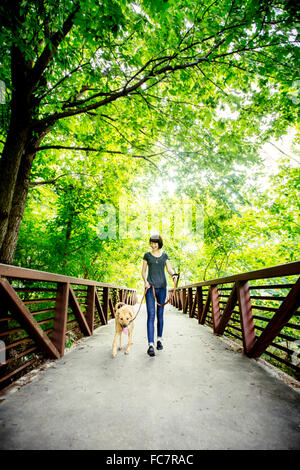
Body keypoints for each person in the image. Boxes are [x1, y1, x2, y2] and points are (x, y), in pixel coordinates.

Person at [141, 234, 178, 357]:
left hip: (162, 288)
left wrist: (174, 275)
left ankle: (159, 340)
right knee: (151, 315)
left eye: (155, 243)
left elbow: (169, 269)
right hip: (150, 288)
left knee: (160, 314)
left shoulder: (165, 256)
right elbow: (143, 271)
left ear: (159, 243)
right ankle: (150, 345)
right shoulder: (147, 255)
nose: (153, 245)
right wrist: (145, 282)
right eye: (151, 242)